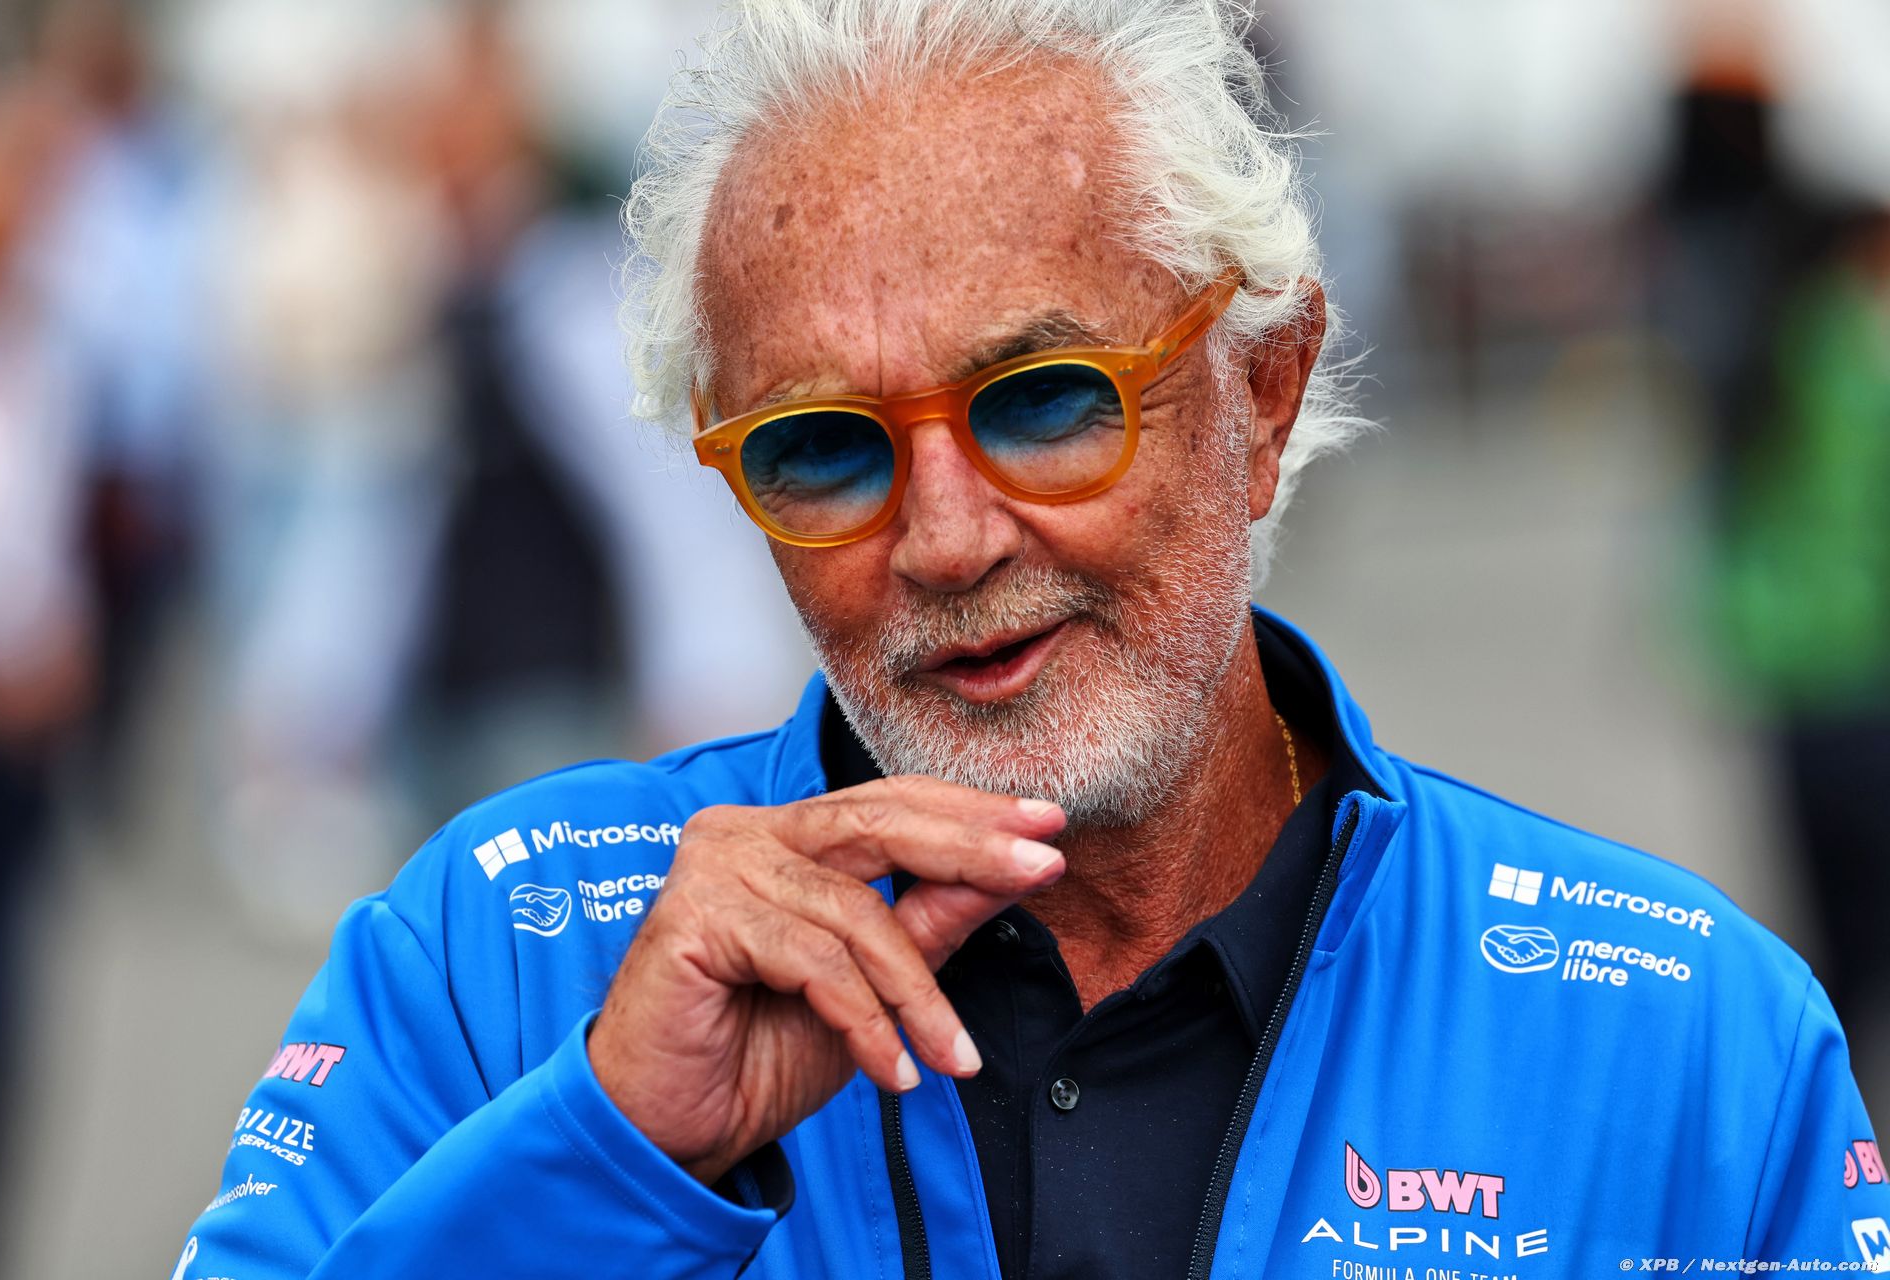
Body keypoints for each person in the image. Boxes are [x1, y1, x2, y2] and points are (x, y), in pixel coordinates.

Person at [170, 2, 1890, 1277]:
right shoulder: (495, 959)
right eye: (823, 449)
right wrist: (607, 1160)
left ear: (1265, 391)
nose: (946, 539)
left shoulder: (1686, 1044)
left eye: (1046, 402)